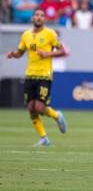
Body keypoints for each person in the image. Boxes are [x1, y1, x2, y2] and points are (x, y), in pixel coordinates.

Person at [6, 9, 67, 147]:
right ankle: (44, 138)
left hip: (44, 75)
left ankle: (57, 116)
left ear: (44, 19)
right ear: (32, 18)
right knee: (31, 108)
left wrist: (47, 54)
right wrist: (13, 54)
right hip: (30, 75)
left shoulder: (50, 34)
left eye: (41, 15)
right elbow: (20, 52)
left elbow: (62, 50)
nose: (39, 18)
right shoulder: (26, 35)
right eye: (36, 15)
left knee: (39, 107)